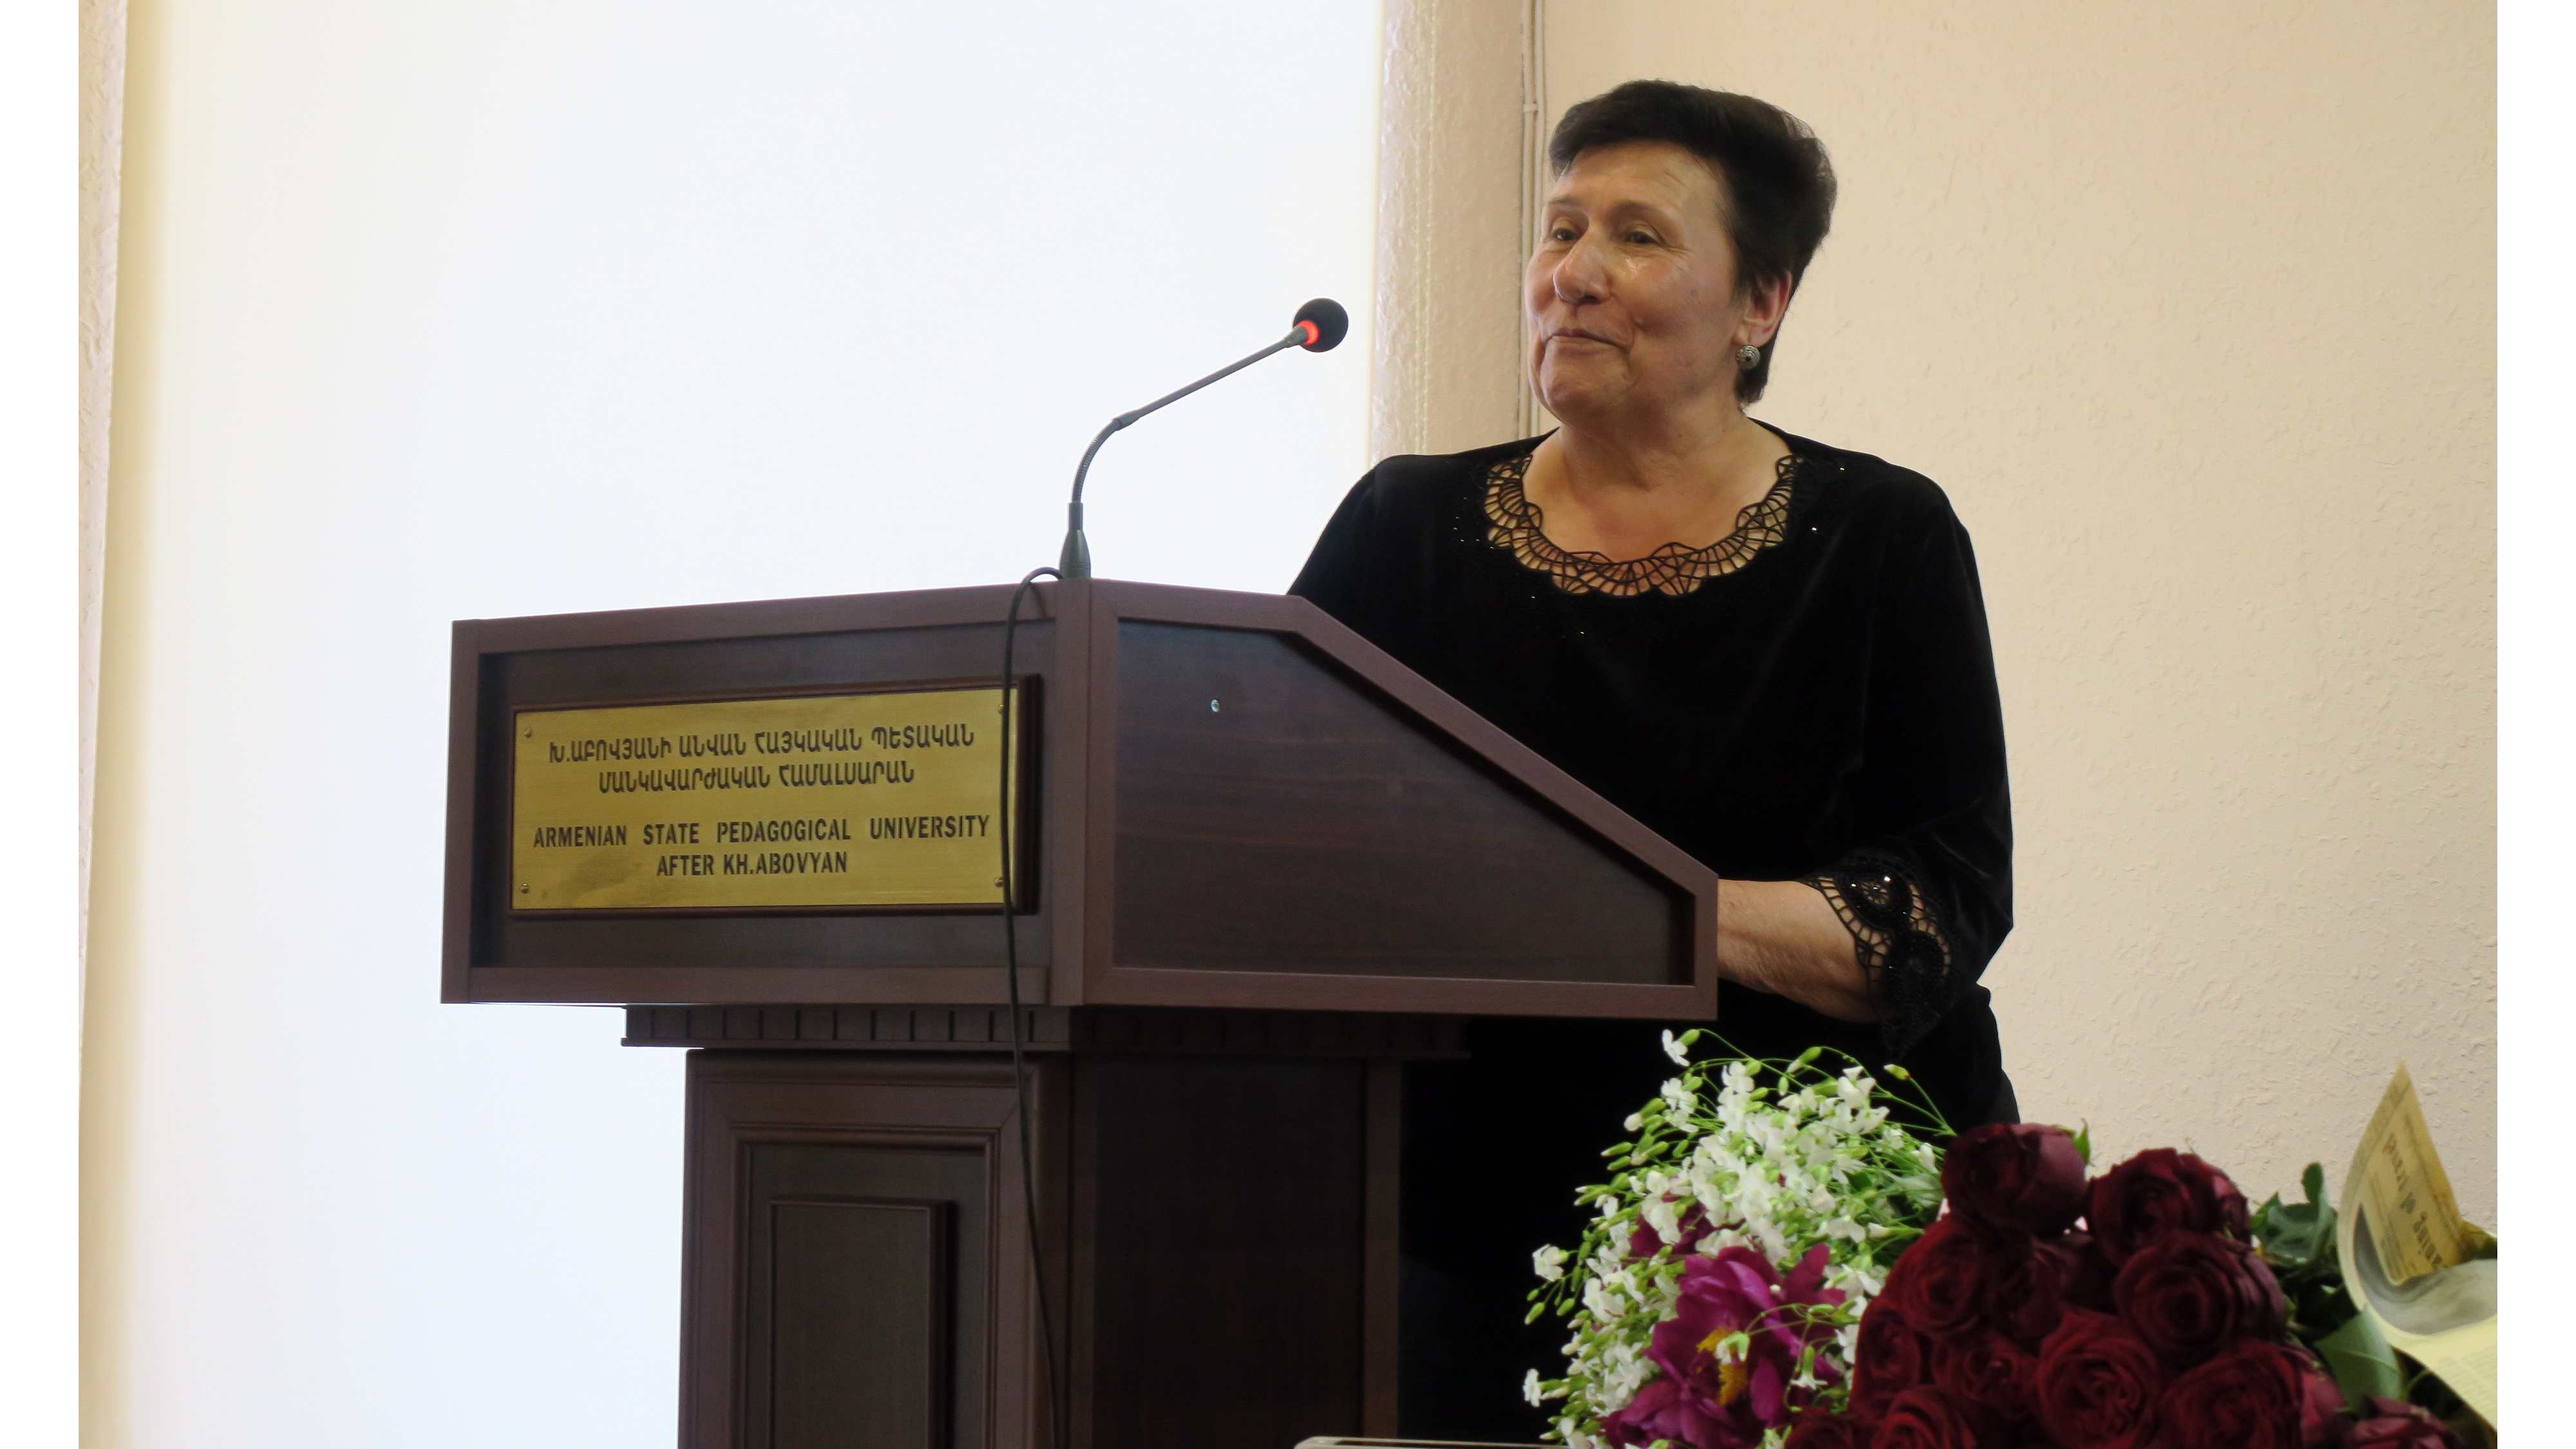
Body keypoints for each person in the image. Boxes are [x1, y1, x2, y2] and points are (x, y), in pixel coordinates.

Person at [1287, 80, 2015, 1438]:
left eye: (1636, 235)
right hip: (1466, 1231)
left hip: (1814, 1237)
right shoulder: (1405, 529)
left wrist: (1619, 912)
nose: (1571, 272)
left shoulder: (1881, 538)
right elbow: (1265, 835)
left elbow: (1938, 909)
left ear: (1760, 305)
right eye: (1561, 228)